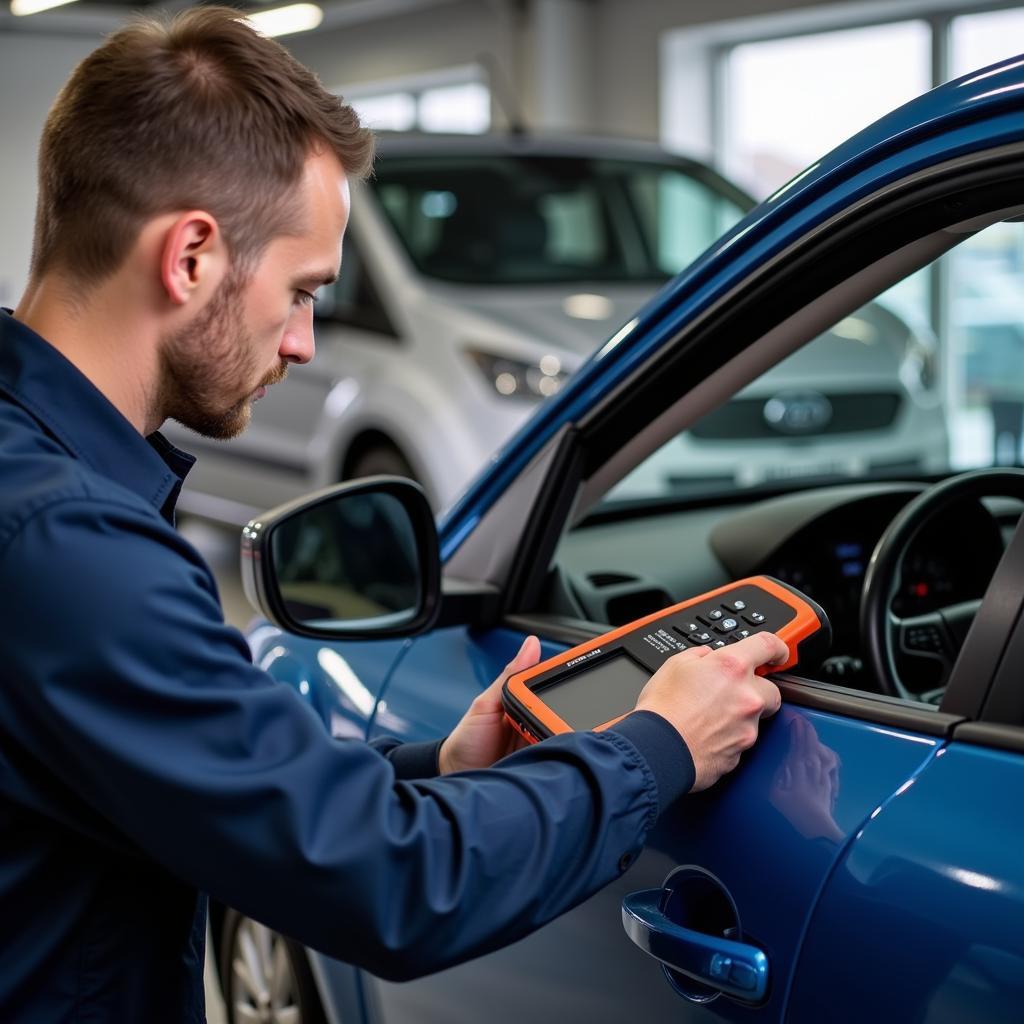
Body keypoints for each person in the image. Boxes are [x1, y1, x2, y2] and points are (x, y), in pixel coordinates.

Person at [0, 8, 785, 1019]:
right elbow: (395, 886)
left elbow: (195, 775)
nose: (304, 343)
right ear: (191, 256)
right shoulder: (71, 546)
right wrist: (660, 741)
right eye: (300, 291)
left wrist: (435, 767)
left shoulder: (39, 488)